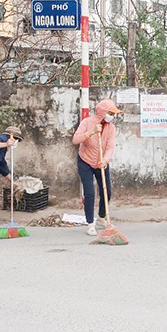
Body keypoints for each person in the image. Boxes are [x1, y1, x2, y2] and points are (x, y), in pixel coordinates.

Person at [72, 99, 122, 236]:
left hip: (101, 162)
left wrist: (105, 160)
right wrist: (91, 132)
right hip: (85, 161)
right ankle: (90, 223)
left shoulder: (111, 128)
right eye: (111, 113)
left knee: (107, 191)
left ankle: (101, 216)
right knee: (89, 193)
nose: (113, 116)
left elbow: (110, 147)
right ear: (103, 112)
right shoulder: (87, 123)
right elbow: (75, 140)